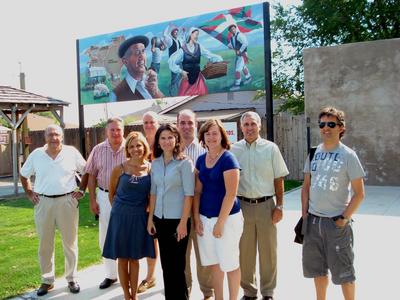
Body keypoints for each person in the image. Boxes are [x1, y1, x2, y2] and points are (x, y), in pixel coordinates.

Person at [301, 107, 365, 300]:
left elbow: (359, 193)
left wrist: (344, 219)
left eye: (331, 124)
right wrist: (305, 215)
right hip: (313, 222)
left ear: (341, 127)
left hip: (336, 224)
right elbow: (305, 187)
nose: (325, 128)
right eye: (322, 124)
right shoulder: (313, 153)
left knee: (345, 273)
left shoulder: (348, 155)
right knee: (317, 271)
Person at [20, 125, 86, 296]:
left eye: (56, 134)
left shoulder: (71, 152)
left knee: (70, 243)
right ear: (45, 137)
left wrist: (82, 189)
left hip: (67, 201)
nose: (53, 138)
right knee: (45, 244)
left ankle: (71, 278)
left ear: (62, 137)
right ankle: (47, 280)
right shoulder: (36, 154)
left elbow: (86, 171)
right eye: (50, 134)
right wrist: (29, 192)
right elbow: (24, 174)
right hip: (44, 202)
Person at [230, 112, 289, 300]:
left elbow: (278, 178)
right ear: (241, 127)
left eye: (253, 124)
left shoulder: (271, 149)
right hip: (243, 207)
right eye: (246, 124)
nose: (249, 128)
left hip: (266, 206)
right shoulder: (233, 150)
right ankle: (249, 291)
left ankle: (268, 292)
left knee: (268, 252)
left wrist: (279, 206)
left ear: (259, 126)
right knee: (245, 252)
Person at [103, 132, 155, 300]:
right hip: (120, 217)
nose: (135, 149)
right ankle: (127, 295)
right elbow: (111, 194)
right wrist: (120, 211)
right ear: (127, 149)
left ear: (144, 147)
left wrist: (148, 216)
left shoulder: (150, 169)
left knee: (135, 259)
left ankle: (134, 295)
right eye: (131, 146)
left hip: (140, 217)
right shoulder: (120, 169)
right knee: (123, 258)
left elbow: (152, 197)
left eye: (138, 145)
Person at [194, 119, 243, 300]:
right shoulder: (200, 160)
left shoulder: (228, 159)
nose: (211, 137)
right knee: (214, 264)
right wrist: (197, 219)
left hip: (227, 219)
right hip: (205, 219)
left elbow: (231, 194)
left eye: (215, 133)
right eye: (207, 134)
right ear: (203, 137)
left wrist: (220, 223)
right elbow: (197, 192)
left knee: (230, 264)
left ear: (222, 135)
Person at [147, 124, 194, 300]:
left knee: (178, 266)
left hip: (178, 221)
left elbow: (189, 194)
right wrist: (150, 219)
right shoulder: (155, 163)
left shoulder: (184, 162)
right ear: (158, 142)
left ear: (176, 139)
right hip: (160, 220)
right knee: (166, 265)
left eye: (170, 137)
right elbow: (153, 193)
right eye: (163, 138)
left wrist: (183, 223)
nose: (166, 141)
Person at [176, 109, 213, 300]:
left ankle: (208, 293)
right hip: (178, 214)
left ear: (196, 125)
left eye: (190, 122)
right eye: (182, 122)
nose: (186, 126)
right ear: (177, 125)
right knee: (181, 257)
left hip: (201, 212)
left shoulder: (205, 152)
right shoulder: (172, 151)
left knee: (203, 255)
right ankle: (185, 291)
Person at [85, 117, 126, 289]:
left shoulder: (132, 147)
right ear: (106, 131)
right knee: (106, 237)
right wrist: (92, 199)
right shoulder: (98, 149)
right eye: (112, 130)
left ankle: (127, 274)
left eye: (118, 129)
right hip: (104, 196)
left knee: (126, 236)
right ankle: (110, 275)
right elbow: (91, 175)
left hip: (127, 199)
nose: (116, 133)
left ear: (123, 130)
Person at [136, 111, 160, 294]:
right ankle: (150, 277)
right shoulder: (140, 145)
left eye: (152, 121)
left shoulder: (164, 141)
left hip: (164, 201)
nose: (149, 124)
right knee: (150, 240)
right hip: (144, 201)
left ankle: (176, 277)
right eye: (146, 122)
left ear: (157, 123)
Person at [169, 27, 223, 96]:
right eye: (196, 34)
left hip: (198, 80)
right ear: (190, 34)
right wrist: (181, 71)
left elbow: (210, 55)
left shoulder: (199, 47)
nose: (197, 37)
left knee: (202, 99)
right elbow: (171, 62)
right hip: (187, 81)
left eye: (198, 35)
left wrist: (215, 61)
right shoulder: (183, 50)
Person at [111, 35, 164, 101]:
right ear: (125, 61)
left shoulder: (151, 81)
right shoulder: (116, 95)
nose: (142, 56)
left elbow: (166, 104)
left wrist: (156, 92)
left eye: (143, 51)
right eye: (137, 52)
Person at [227, 24, 252, 91]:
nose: (232, 30)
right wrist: (230, 46)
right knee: (243, 67)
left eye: (233, 28)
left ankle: (237, 85)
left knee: (237, 70)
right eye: (231, 29)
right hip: (239, 55)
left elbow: (245, 43)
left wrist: (240, 50)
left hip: (242, 54)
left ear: (235, 28)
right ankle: (248, 77)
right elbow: (233, 45)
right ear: (230, 31)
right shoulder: (232, 38)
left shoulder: (240, 35)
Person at [163, 24, 182, 96]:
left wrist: (183, 32)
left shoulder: (179, 40)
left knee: (180, 76)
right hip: (173, 62)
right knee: (174, 77)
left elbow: (183, 39)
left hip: (179, 62)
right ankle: (171, 91)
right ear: (172, 34)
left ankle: (178, 89)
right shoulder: (170, 41)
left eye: (177, 32)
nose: (176, 33)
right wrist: (168, 25)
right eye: (175, 32)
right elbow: (164, 34)